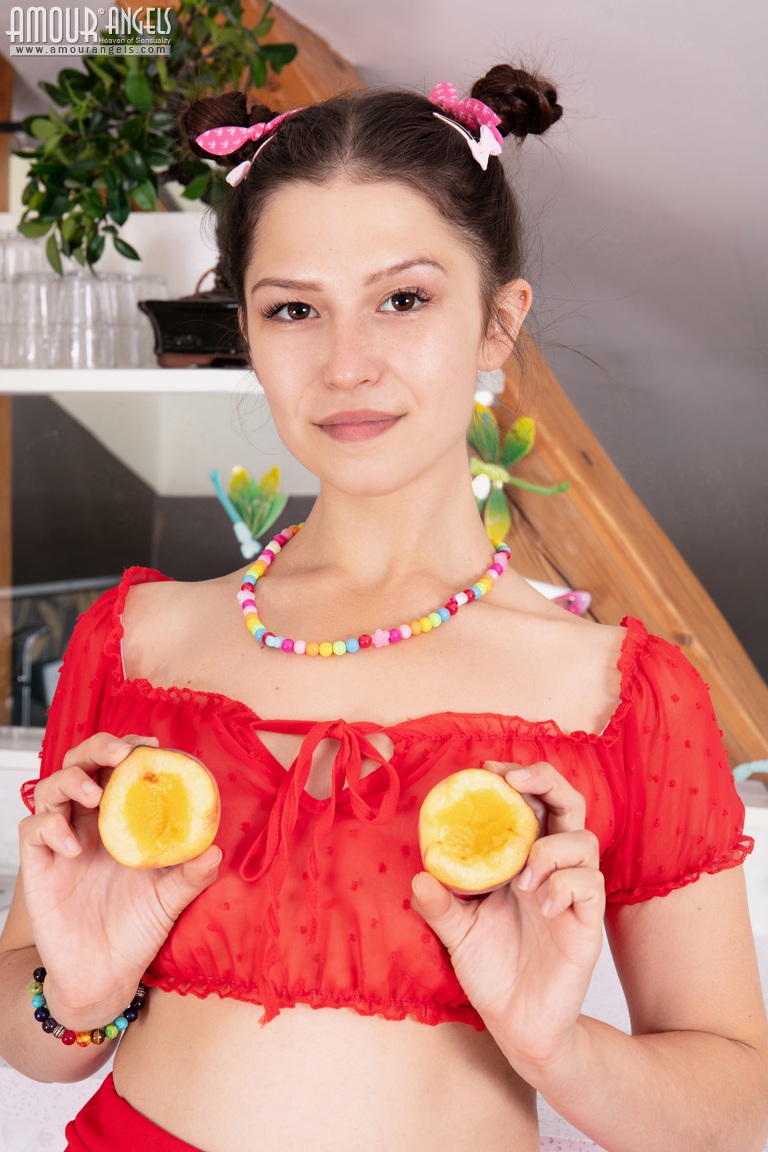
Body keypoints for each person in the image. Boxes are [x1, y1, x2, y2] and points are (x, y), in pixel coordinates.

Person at [1, 66, 767, 1152]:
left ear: (498, 322)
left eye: (404, 299)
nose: (347, 364)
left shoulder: (617, 693)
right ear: (247, 331)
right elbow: (35, 1034)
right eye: (294, 310)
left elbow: (737, 1110)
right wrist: (78, 996)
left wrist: (556, 1048)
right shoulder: (137, 644)